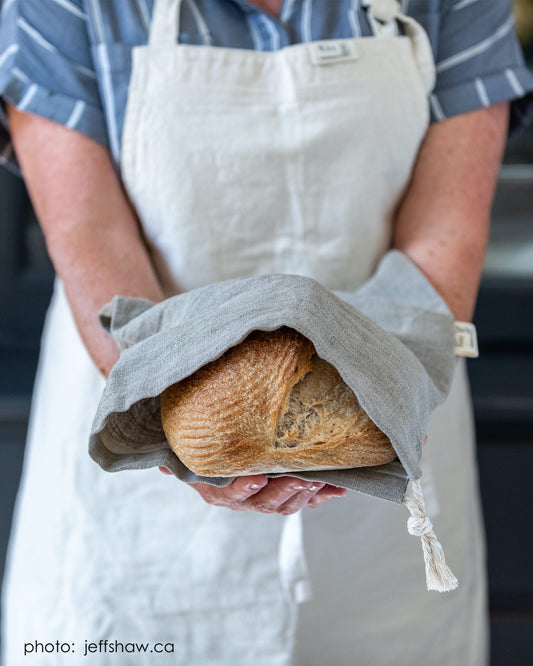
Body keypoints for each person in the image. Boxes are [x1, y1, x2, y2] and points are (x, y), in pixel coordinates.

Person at [0, 0, 532, 664]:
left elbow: (442, 235)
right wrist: (178, 424)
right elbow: (89, 231)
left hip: (383, 480)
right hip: (141, 496)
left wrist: (388, 397)